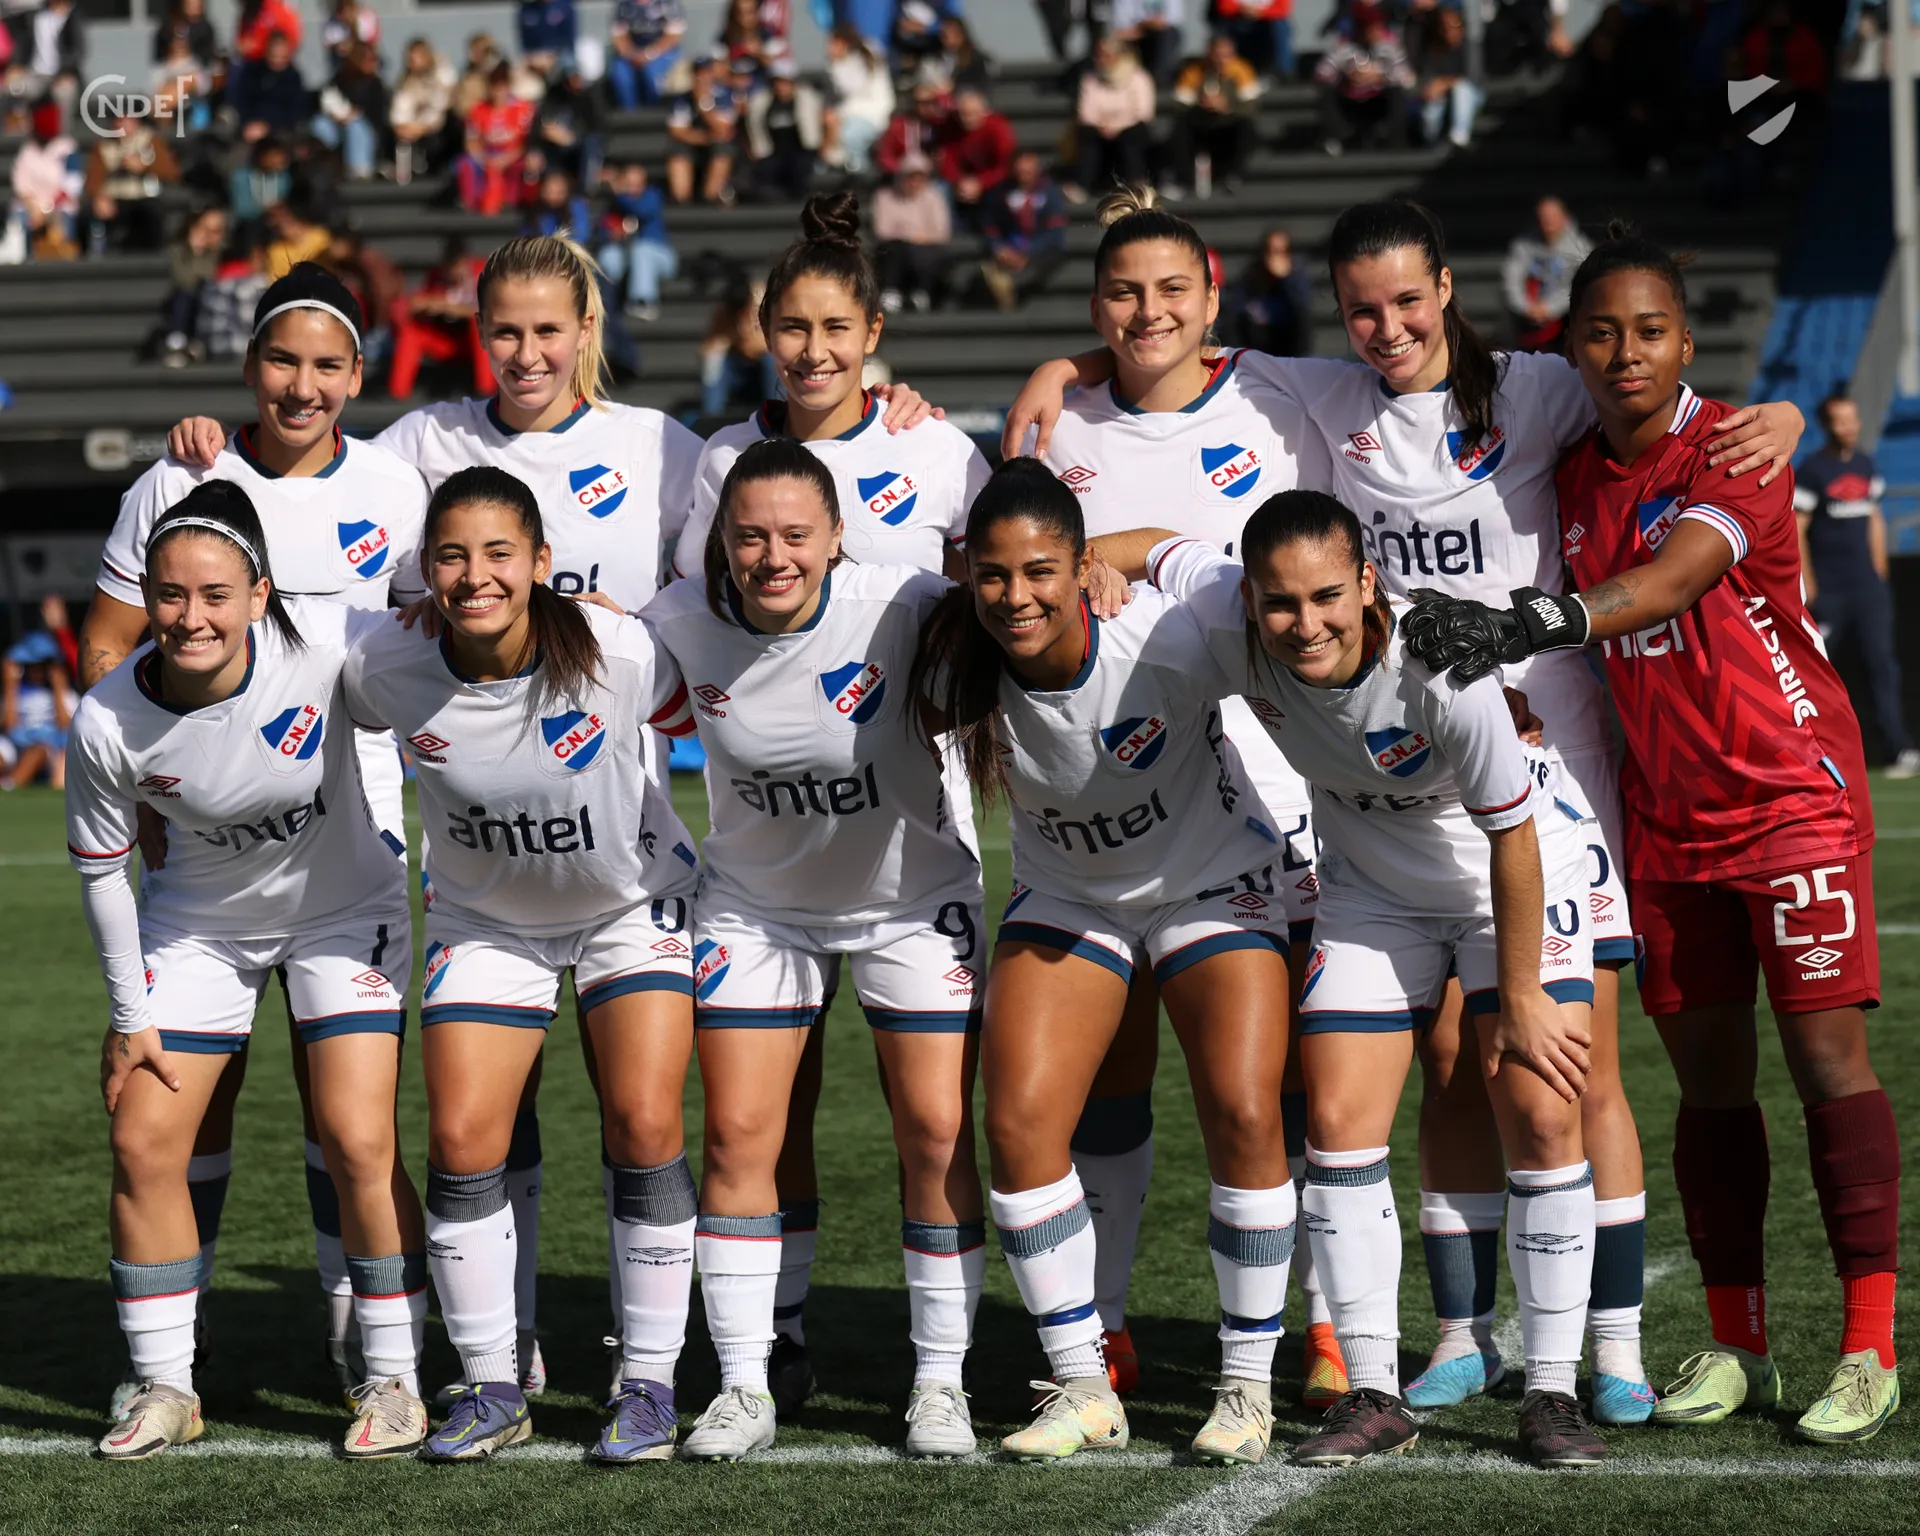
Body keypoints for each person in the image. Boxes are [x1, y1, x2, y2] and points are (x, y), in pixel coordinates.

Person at [1003, 198, 1805, 1429]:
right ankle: (1444, 1342)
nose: (1386, 327)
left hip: (1537, 765)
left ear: (1447, 290)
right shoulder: (1318, 398)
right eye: (1361, 309)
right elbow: (1167, 373)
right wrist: (1063, 375)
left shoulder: (1538, 390)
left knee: (1565, 1076)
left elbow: (1655, 400)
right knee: (1422, 1074)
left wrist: (1779, 418)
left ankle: (1606, 1351)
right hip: (1377, 804)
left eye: (1407, 302)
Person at [163, 234, 935, 1397]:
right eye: (504, 332)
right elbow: (312, 485)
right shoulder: (421, 447)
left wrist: (894, 415)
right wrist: (218, 444)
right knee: (487, 1116)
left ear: (587, 333)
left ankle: (669, 1351)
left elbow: (740, 584)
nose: (526, 353)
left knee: (665, 1116)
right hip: (478, 841)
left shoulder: (666, 450)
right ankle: (506, 1348)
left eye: (548, 331)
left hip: (628, 840)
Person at [1404, 228, 1902, 1446]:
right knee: (1710, 1092)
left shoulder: (1734, 448)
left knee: (1828, 1070)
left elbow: (1674, 579)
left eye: (1649, 331)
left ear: (1686, 343)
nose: (1624, 352)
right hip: (1665, 824)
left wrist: (1531, 624)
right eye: (1600, 332)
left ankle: (1868, 1349)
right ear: (1571, 348)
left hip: (1791, 802)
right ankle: (1738, 1344)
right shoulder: (1573, 465)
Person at [1095, 491, 1608, 1469]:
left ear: (1367, 583)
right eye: (1280, 602)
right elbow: (1158, 545)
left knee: (1543, 1113)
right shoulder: (1226, 612)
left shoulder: (1443, 667)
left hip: (1505, 876)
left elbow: (1512, 837)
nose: (1305, 623)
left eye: (1327, 596)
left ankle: (1552, 1392)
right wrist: (1084, 559)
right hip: (1372, 892)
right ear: (1250, 598)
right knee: (1335, 1123)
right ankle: (1373, 1392)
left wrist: (1521, 997)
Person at [1003, 188, 1334, 1408]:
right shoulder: (1055, 425)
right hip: (1118, 795)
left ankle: (1326, 1322)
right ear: (1096, 307)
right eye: (1123, 295)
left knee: (1287, 1087)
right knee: (1113, 1075)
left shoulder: (1285, 394)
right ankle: (1108, 1325)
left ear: (1213, 296)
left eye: (1172, 291)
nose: (1149, 313)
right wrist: (1062, 371)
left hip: (1285, 790)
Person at [79, 271, 430, 1418]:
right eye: (283, 359)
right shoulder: (178, 481)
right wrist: (156, 779)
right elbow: (110, 644)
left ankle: (375, 1341)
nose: (303, 385)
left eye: (328, 364)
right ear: (249, 366)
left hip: (352, 846)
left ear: (358, 375)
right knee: (180, 1116)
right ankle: (171, 1366)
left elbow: (427, 646)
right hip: (204, 861)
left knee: (352, 1128)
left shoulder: (394, 490)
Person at [670, 199, 985, 1418]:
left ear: (874, 336)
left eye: (835, 328)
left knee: (937, 1131)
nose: (813, 349)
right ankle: (758, 1368)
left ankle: (941, 1378)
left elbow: (1003, 593)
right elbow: (682, 627)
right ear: (762, 333)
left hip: (910, 864)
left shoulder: (933, 450)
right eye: (792, 328)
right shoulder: (720, 463)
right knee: (752, 1127)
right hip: (761, 881)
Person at [913, 460, 1296, 1463]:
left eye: (1041, 571)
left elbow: (1270, 599)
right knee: (1018, 1124)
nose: (1016, 597)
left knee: (1245, 1109)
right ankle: (1084, 1383)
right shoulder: (950, 657)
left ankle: (1247, 1388)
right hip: (1071, 895)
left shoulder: (1169, 634)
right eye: (993, 576)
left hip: (1212, 880)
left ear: (1083, 567)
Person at [342, 465, 701, 1463]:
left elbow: (717, 706)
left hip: (628, 909)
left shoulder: (621, 651)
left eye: (499, 553)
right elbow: (290, 689)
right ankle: (493, 1385)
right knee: (462, 1139)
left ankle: (649, 1386)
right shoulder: (384, 663)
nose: (476, 576)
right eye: (452, 556)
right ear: (425, 571)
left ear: (541, 562)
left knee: (645, 1124)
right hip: (485, 922)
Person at [1796, 395, 1919, 777]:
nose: (1849, 427)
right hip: (1829, 590)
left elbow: (1875, 518)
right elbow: (1797, 527)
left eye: (1852, 419)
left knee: (1881, 665)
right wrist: (1808, 581)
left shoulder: (1866, 464)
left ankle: (1898, 750)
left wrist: (1879, 569)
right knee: (1812, 671)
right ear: (1827, 425)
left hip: (1868, 589)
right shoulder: (1812, 470)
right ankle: (1805, 752)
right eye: (1840, 420)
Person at [386, 236, 492, 399]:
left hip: (475, 343)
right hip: (446, 340)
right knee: (411, 332)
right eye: (450, 266)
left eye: (458, 265)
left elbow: (492, 311)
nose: (454, 271)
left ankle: (485, 390)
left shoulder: (483, 274)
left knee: (478, 325)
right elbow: (414, 303)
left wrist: (453, 308)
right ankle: (398, 393)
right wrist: (431, 303)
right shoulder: (437, 276)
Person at [1167, 34, 1261, 197]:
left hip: (1229, 125)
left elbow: (1251, 105)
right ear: (1208, 53)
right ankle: (1184, 179)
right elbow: (1179, 102)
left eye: (1226, 55)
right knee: (1180, 126)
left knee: (1246, 126)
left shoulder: (1242, 70)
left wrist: (1227, 107)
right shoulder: (1194, 71)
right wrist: (1200, 104)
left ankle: (1233, 175)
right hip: (1201, 124)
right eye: (1217, 54)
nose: (1221, 60)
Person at [977, 150, 1070, 312]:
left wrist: (1026, 252)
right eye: (1020, 171)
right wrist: (999, 247)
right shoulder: (1001, 194)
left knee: (1045, 260)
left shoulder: (1050, 192)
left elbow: (1054, 231)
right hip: (1010, 246)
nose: (1024, 174)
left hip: (1040, 249)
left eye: (1028, 170)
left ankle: (1013, 288)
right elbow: (991, 226)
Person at [1313, 10, 1413, 154]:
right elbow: (1321, 73)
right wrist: (1346, 75)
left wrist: (1380, 75)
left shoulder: (1390, 48)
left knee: (1397, 94)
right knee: (1327, 94)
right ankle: (1336, 139)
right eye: (1372, 29)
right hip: (1350, 100)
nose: (1377, 33)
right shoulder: (1343, 47)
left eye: (1379, 28)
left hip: (1378, 100)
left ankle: (1395, 143)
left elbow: (1406, 76)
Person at [1068, 36, 1154, 203]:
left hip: (1129, 128)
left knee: (1134, 134)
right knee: (1086, 133)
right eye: (1098, 55)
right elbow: (1086, 113)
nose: (1100, 60)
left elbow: (1144, 112)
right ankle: (1083, 186)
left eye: (1105, 55)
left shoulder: (1139, 77)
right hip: (1100, 129)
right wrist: (1103, 126)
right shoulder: (1090, 79)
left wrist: (1116, 126)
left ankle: (1136, 184)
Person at [83, 109, 180, 255]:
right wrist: (99, 197)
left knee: (153, 214)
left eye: (127, 121)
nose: (123, 126)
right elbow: (93, 180)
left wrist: (145, 167)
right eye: (119, 121)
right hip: (116, 198)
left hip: (144, 197)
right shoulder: (104, 146)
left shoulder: (150, 141)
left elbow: (172, 171)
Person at [1502, 196, 1590, 354]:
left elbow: (1581, 287)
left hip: (1563, 317)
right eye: (1543, 217)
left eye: (1552, 217)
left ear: (1565, 218)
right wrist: (1526, 307)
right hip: (1525, 317)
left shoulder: (1580, 249)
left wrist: (1550, 308)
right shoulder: (1523, 245)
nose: (1547, 222)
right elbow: (1511, 280)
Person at [597, 161, 677, 322]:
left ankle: (643, 301)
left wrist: (619, 193)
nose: (633, 188)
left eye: (637, 183)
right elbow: (602, 230)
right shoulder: (614, 206)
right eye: (628, 183)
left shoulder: (652, 197)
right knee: (608, 255)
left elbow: (641, 210)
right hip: (627, 257)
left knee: (641, 250)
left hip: (660, 258)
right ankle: (606, 302)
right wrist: (613, 235)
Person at [874, 152, 951, 312]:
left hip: (924, 250)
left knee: (926, 254)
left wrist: (913, 237)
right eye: (911, 177)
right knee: (895, 249)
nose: (915, 182)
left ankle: (921, 292)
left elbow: (941, 232)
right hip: (896, 248)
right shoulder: (885, 196)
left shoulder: (934, 198)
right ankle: (891, 292)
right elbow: (882, 231)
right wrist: (913, 237)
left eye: (920, 178)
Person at [458, 63, 536, 216]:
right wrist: (484, 159)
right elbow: (471, 141)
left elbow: (526, 141)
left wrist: (507, 158)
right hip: (487, 155)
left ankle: (518, 204)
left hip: (514, 154)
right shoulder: (478, 110)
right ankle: (471, 206)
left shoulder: (523, 109)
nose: (498, 91)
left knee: (529, 164)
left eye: (502, 86)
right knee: (466, 163)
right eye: (494, 86)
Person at [1222, 228, 1312, 357]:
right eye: (1271, 251)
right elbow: (1232, 319)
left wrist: (1287, 279)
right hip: (1252, 357)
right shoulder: (1248, 281)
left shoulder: (1295, 283)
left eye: (1281, 252)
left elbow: (1302, 324)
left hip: (1286, 357)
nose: (1275, 258)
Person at [666, 51, 741, 205]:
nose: (703, 77)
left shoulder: (725, 95)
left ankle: (710, 199)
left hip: (717, 144)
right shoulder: (682, 99)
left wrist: (704, 105)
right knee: (678, 151)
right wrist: (704, 138)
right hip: (696, 141)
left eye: (707, 73)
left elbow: (722, 130)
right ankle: (681, 201)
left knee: (722, 149)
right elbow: (678, 131)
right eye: (699, 73)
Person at [2, 626, 72, 788]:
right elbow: (9, 725)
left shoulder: (65, 694)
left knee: (36, 752)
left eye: (44, 666)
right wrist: (10, 686)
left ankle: (9, 788)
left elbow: (64, 726)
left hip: (49, 749)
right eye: (33, 665)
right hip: (15, 745)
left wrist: (58, 688)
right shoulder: (16, 691)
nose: (38, 671)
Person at [8, 97, 77, 261]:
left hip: (58, 206)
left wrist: (47, 210)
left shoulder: (67, 148)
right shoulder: (28, 150)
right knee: (17, 217)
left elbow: (72, 185)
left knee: (64, 218)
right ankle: (20, 261)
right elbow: (20, 183)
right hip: (31, 207)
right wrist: (34, 208)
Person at [745, 57, 822, 202]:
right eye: (778, 82)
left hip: (801, 151)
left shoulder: (808, 99)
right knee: (764, 176)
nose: (781, 86)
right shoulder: (761, 102)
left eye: (785, 82)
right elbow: (754, 128)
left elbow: (817, 128)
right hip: (772, 153)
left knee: (801, 171)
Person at [158, 205, 227, 367]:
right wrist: (195, 252)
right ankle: (177, 343)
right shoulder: (179, 251)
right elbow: (184, 279)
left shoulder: (225, 252)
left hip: (217, 304)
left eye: (216, 231)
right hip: (190, 299)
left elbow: (212, 277)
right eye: (205, 230)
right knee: (185, 294)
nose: (210, 236)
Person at [822, 25, 895, 174]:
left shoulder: (863, 57)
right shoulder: (846, 62)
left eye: (833, 44)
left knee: (847, 136)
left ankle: (860, 173)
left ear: (844, 42)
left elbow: (851, 88)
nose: (829, 49)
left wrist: (835, 63)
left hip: (872, 116)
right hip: (852, 115)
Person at [700, 279, 779, 416]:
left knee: (771, 359)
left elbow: (772, 343)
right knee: (713, 358)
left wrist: (742, 338)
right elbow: (706, 347)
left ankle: (776, 411)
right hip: (736, 367)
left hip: (761, 367)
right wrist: (728, 340)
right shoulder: (724, 311)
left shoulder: (762, 303)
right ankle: (711, 414)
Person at [313, 40, 388, 182]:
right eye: (368, 59)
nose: (372, 63)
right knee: (320, 123)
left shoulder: (376, 85)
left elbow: (377, 117)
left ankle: (358, 171)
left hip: (365, 132)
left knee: (355, 126)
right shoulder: (339, 80)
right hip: (338, 125)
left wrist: (354, 114)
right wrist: (337, 116)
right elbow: (328, 99)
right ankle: (322, 166)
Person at [940, 87, 1015, 229]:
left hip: (992, 180)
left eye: (972, 114)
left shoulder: (998, 127)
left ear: (984, 112)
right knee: (941, 188)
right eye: (963, 114)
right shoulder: (952, 127)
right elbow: (947, 160)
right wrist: (960, 181)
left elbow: (1005, 164)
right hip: (963, 181)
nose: (966, 119)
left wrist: (980, 182)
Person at [389, 37, 457, 184]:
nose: (412, 61)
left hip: (437, 130)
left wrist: (420, 128)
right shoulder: (406, 81)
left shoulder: (441, 75)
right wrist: (402, 126)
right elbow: (400, 109)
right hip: (412, 129)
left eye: (416, 56)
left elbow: (439, 109)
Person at [1412, 5, 1479, 148]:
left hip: (1469, 94)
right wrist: (1435, 86)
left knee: (1462, 89)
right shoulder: (1430, 48)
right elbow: (1424, 76)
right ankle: (1431, 138)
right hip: (1438, 95)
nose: (1450, 30)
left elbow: (1473, 78)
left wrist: (1446, 82)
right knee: (1434, 99)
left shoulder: (1469, 47)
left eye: (1455, 25)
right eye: (1444, 26)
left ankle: (1460, 136)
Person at [608, 0, 687, 108]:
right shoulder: (624, 5)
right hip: (633, 54)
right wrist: (631, 54)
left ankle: (654, 111)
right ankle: (629, 112)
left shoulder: (667, 4)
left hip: (661, 53)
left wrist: (649, 54)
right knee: (621, 74)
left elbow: (672, 37)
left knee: (652, 75)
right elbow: (619, 36)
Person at [236, 30, 309, 143]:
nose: (277, 58)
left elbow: (294, 112)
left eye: (281, 54)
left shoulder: (293, 78)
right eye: (274, 54)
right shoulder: (253, 73)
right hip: (250, 128)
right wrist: (249, 123)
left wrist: (266, 126)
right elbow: (243, 101)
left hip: (280, 131)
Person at [1214, 0, 1295, 80]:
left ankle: (1284, 71)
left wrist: (1260, 13)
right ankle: (1226, 71)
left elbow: (1282, 9)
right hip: (1238, 19)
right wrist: (1242, 10)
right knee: (1224, 27)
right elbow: (1224, 6)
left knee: (1280, 26)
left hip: (1267, 21)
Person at [1110, 0, 1182, 87]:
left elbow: (1172, 22)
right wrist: (1147, 26)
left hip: (1158, 39)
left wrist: (1144, 25)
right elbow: (1121, 31)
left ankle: (1159, 82)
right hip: (1135, 39)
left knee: (1166, 36)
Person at [518, 0, 578, 76]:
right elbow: (524, 43)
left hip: (559, 58)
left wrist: (552, 58)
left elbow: (569, 42)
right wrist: (534, 58)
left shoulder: (565, 7)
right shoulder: (527, 9)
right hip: (534, 58)